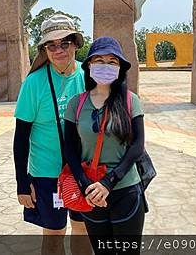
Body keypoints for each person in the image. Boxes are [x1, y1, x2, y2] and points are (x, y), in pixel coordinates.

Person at [13, 14, 90, 255]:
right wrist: (22, 183)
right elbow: (21, 137)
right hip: (47, 174)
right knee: (54, 232)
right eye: (51, 45)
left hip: (84, 170)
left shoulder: (89, 77)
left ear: (76, 44)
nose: (59, 50)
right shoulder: (33, 83)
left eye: (64, 43)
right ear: (44, 49)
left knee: (82, 229)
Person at [63, 37, 146, 255]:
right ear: (89, 66)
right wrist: (84, 184)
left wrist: (109, 182)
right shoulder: (76, 104)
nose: (105, 66)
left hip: (125, 190)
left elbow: (137, 146)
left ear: (120, 68)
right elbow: (69, 148)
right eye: (99, 60)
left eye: (112, 61)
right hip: (90, 191)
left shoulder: (130, 101)